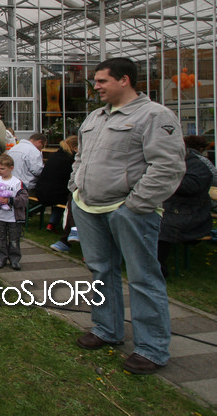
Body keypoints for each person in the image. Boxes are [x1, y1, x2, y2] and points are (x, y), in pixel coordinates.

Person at [70, 57, 185, 375]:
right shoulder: (95, 117)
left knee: (143, 277)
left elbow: (168, 165)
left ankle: (152, 348)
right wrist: (75, 187)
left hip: (128, 211)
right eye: (95, 81)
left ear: (124, 80)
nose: (96, 86)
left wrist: (134, 204)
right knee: (100, 271)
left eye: (102, 81)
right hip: (89, 207)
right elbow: (80, 156)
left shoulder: (155, 115)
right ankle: (107, 329)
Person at [157, 135, 213, 277]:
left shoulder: (198, 166)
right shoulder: (167, 164)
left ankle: (158, 270)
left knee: (161, 227)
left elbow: (189, 187)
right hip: (172, 210)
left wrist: (165, 177)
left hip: (190, 215)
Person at [34, 135, 78, 251]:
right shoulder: (71, 159)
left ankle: (53, 223)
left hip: (41, 191)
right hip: (54, 194)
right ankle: (69, 229)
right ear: (75, 147)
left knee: (62, 195)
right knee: (71, 198)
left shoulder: (55, 155)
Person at [0, 153, 28, 270]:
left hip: (14, 218)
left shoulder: (17, 183)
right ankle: (0, 258)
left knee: (14, 239)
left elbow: (24, 199)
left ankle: (14, 260)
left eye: (2, 168)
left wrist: (10, 200)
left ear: (11, 168)